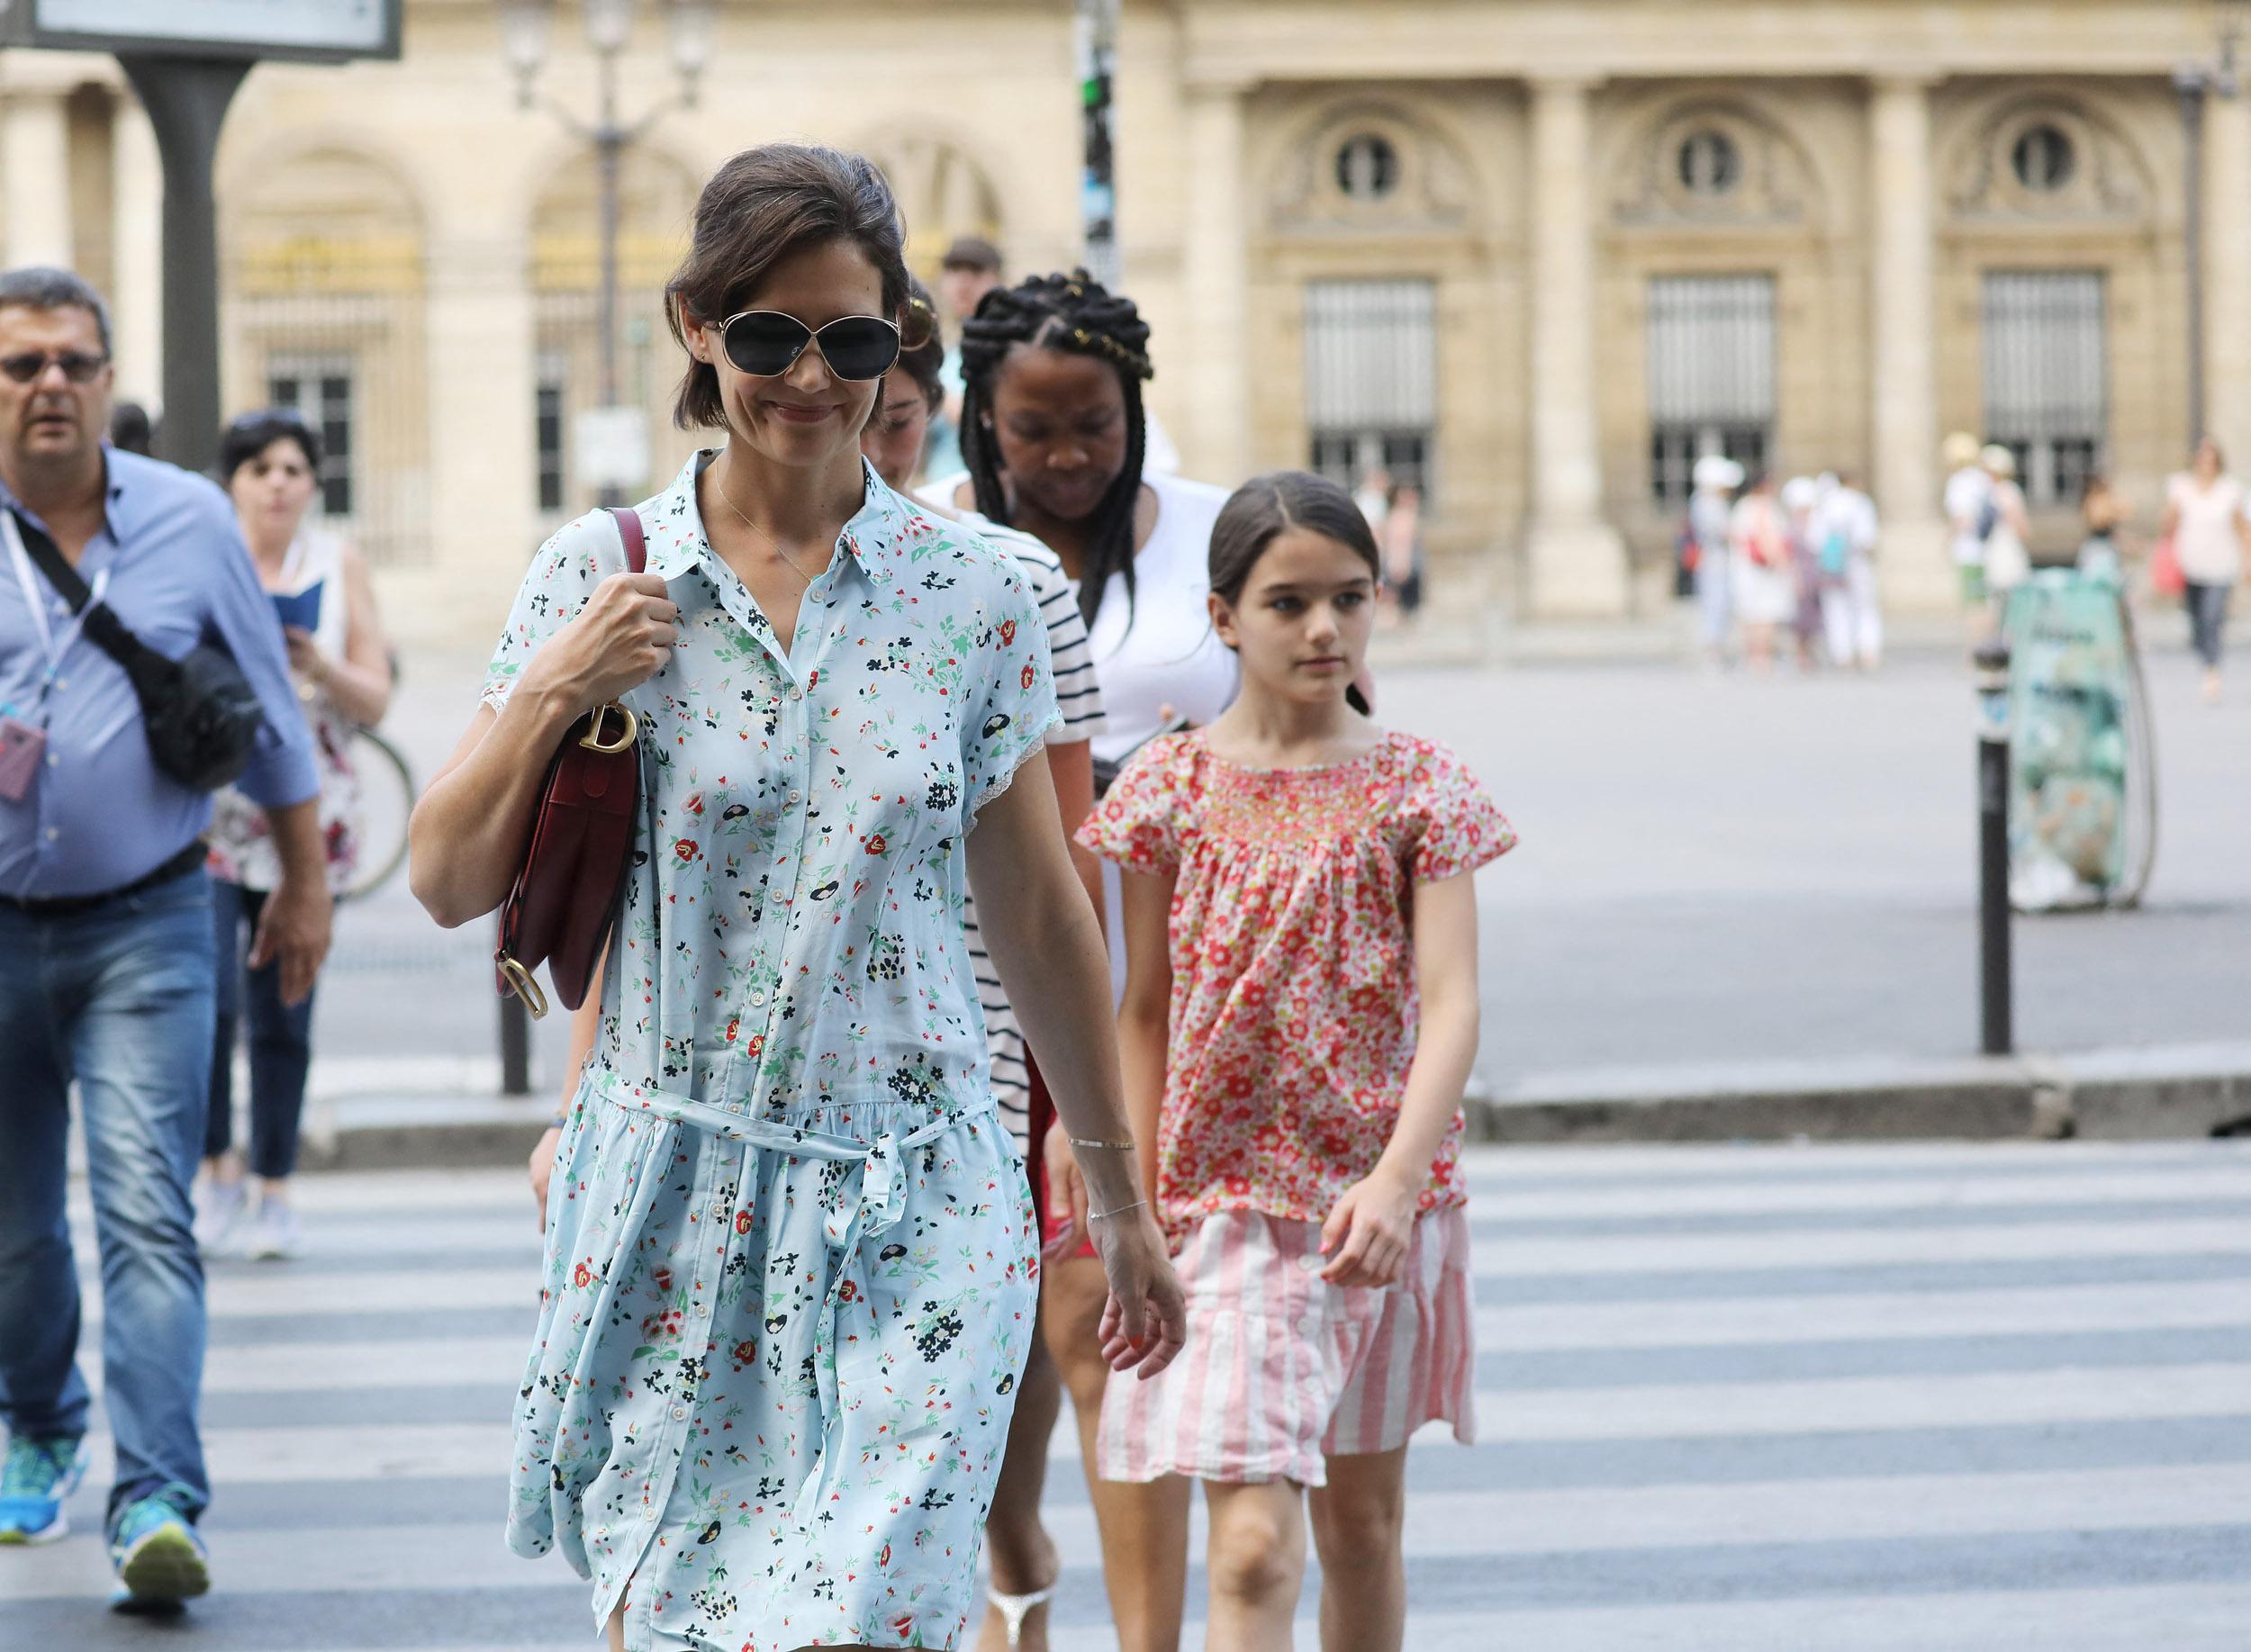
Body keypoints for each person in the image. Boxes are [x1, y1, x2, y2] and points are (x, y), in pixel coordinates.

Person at [408, 145, 1184, 1652]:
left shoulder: (982, 593)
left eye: (852, 338)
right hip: (667, 1195)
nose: (810, 378)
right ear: (701, 328)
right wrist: (558, 686)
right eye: (768, 337)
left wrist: (1113, 1190)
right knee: (682, 1620)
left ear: (902, 338)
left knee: (867, 1615)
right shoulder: (603, 571)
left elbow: (1038, 915)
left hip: (923, 1191)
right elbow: (445, 876)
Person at [1079, 470, 1511, 1652]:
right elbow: (1143, 1006)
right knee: (1255, 1542)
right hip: (1217, 1208)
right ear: (1222, 617)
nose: (1324, 628)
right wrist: (1136, 1198)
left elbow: (1453, 1003)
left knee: (1363, 1529)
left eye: (1349, 597)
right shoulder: (1168, 783)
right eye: (1287, 602)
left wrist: (1397, 1179)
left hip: (1371, 1210)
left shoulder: (1421, 782)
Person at [0, 266, 330, 1603]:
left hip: (151, 914)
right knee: (18, 1232)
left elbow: (268, 719)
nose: (51, 385)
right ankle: (38, 1417)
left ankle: (155, 1494)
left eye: (74, 361)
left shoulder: (189, 520)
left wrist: (303, 885)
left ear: (107, 376)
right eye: (22, 364)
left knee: (147, 1209)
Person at [927, 267, 1235, 1652]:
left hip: (1178, 993)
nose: (1062, 459)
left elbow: (1321, 719)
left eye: (1092, 426)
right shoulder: (928, 546)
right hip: (987, 984)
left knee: (1099, 1317)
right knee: (994, 1343)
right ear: (978, 426)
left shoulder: (1219, 536)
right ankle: (1014, 1547)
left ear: (1134, 410)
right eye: (1030, 431)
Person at [859, 274, 1107, 1651]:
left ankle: (1009, 1550)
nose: (861, 440)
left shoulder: (1010, 588)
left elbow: (1067, 872)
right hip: (766, 1105)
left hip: (971, 1066)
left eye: (894, 419)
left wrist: (1092, 1126)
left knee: (955, 1446)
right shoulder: (670, 575)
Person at [195, 411, 393, 1259]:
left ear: (314, 483)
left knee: (284, 1009)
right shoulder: (206, 558)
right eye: (259, 467)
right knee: (208, 1002)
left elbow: (376, 698)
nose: (277, 481)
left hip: (311, 818)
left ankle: (275, 1186)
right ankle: (215, 1169)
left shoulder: (337, 562)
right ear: (232, 480)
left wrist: (318, 666)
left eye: (293, 468)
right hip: (207, 814)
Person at [2160, 437, 2250, 703]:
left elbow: (2242, 529)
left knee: (2212, 618)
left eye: (2211, 460)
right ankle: (2206, 658)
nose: (2206, 465)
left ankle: (2212, 670)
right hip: (2190, 564)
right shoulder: (2181, 487)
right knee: (2197, 621)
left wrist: (2248, 560)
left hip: (2221, 565)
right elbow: (2168, 527)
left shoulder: (2230, 490)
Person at [922, 234, 1006, 484]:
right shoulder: (947, 352)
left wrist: (929, 392)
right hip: (936, 495)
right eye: (954, 270)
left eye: (976, 271)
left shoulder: (1008, 349)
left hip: (985, 495)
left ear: (998, 280)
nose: (963, 282)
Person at [1813, 469, 1883, 671]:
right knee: (1865, 609)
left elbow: (1815, 540)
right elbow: (1866, 539)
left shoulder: (1824, 505)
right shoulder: (1859, 502)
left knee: (1836, 610)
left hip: (1831, 565)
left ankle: (1843, 655)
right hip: (1858, 563)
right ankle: (1868, 652)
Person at [1728, 471, 1794, 672]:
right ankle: (1762, 656)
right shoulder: (1767, 509)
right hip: (1762, 569)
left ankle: (1754, 656)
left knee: (1752, 614)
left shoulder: (1742, 508)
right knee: (1764, 615)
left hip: (1749, 569)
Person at [1687, 456, 1740, 666]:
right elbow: (1722, 531)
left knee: (1720, 605)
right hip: (1713, 562)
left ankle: (1717, 648)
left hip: (1717, 561)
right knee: (1716, 605)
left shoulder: (1708, 501)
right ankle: (1713, 650)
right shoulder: (1706, 502)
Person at [1943, 430, 1993, 622]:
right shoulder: (1982, 478)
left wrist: (1947, 539)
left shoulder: (1959, 482)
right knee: (1985, 601)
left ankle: (1977, 647)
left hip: (1968, 550)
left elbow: (1962, 518)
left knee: (1974, 604)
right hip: (1986, 547)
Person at [1979, 444, 2034, 622]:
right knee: (2014, 598)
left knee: (1997, 601)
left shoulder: (1989, 492)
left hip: (1994, 550)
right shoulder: (2008, 491)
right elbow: (2020, 525)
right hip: (2007, 549)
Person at [2078, 474, 2131, 585]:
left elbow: (2127, 510)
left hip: (2106, 547)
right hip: (2098, 549)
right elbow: (2100, 519)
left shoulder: (2102, 501)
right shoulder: (2093, 502)